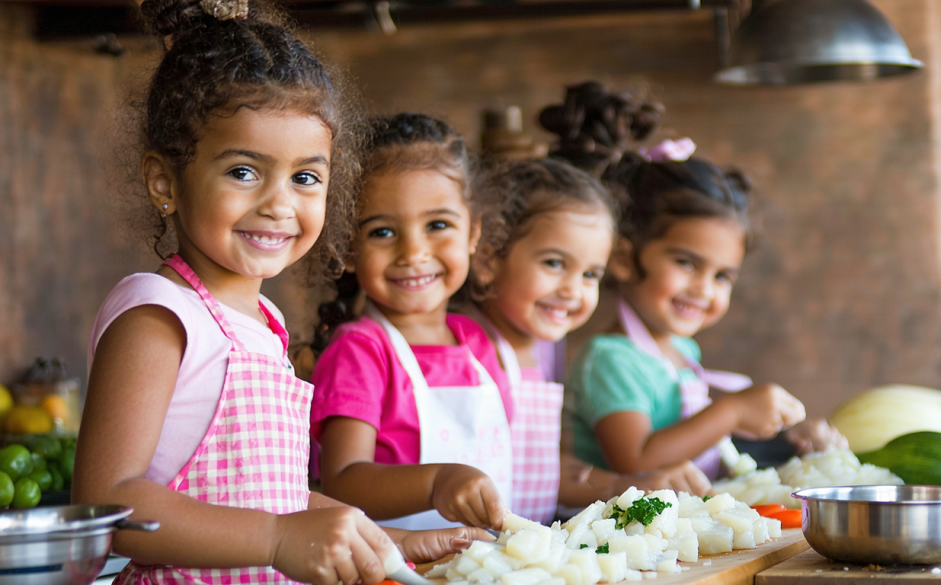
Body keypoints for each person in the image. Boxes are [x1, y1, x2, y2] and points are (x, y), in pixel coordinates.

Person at [73, 5, 485, 583]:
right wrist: (274, 539)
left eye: (305, 177)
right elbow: (107, 505)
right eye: (244, 171)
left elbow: (277, 502)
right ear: (165, 181)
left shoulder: (264, 323)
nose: (279, 204)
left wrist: (401, 544)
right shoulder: (158, 316)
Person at [567, 136, 847, 480]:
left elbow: (695, 442)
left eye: (722, 276)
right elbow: (637, 462)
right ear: (624, 258)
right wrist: (731, 412)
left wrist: (787, 439)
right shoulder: (610, 360)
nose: (704, 289)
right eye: (686, 263)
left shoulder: (682, 350)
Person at [465, 157, 711, 524]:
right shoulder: (467, 353)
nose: (572, 290)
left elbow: (544, 466)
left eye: (590, 274)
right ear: (488, 260)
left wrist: (625, 485)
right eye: (553, 263)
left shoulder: (541, 352)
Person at [311, 113, 514, 531]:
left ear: (473, 233)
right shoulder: (360, 350)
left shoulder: (477, 343)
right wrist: (438, 481)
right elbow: (342, 482)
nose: (414, 252)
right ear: (348, 248)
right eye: (383, 232)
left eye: (438, 225)